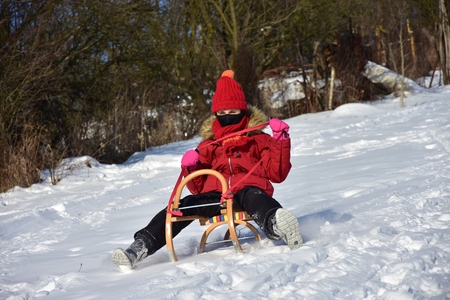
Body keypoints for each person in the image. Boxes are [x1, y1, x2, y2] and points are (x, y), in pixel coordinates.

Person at [112, 70, 302, 267]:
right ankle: (141, 245)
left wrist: (281, 141)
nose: (227, 117)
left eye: (232, 113)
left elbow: (276, 174)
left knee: (256, 197)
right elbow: (198, 188)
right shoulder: (209, 144)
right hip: (216, 196)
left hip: (247, 191)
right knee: (182, 204)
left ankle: (276, 224)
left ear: (243, 111)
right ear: (216, 114)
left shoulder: (258, 139)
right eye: (222, 114)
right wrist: (190, 167)